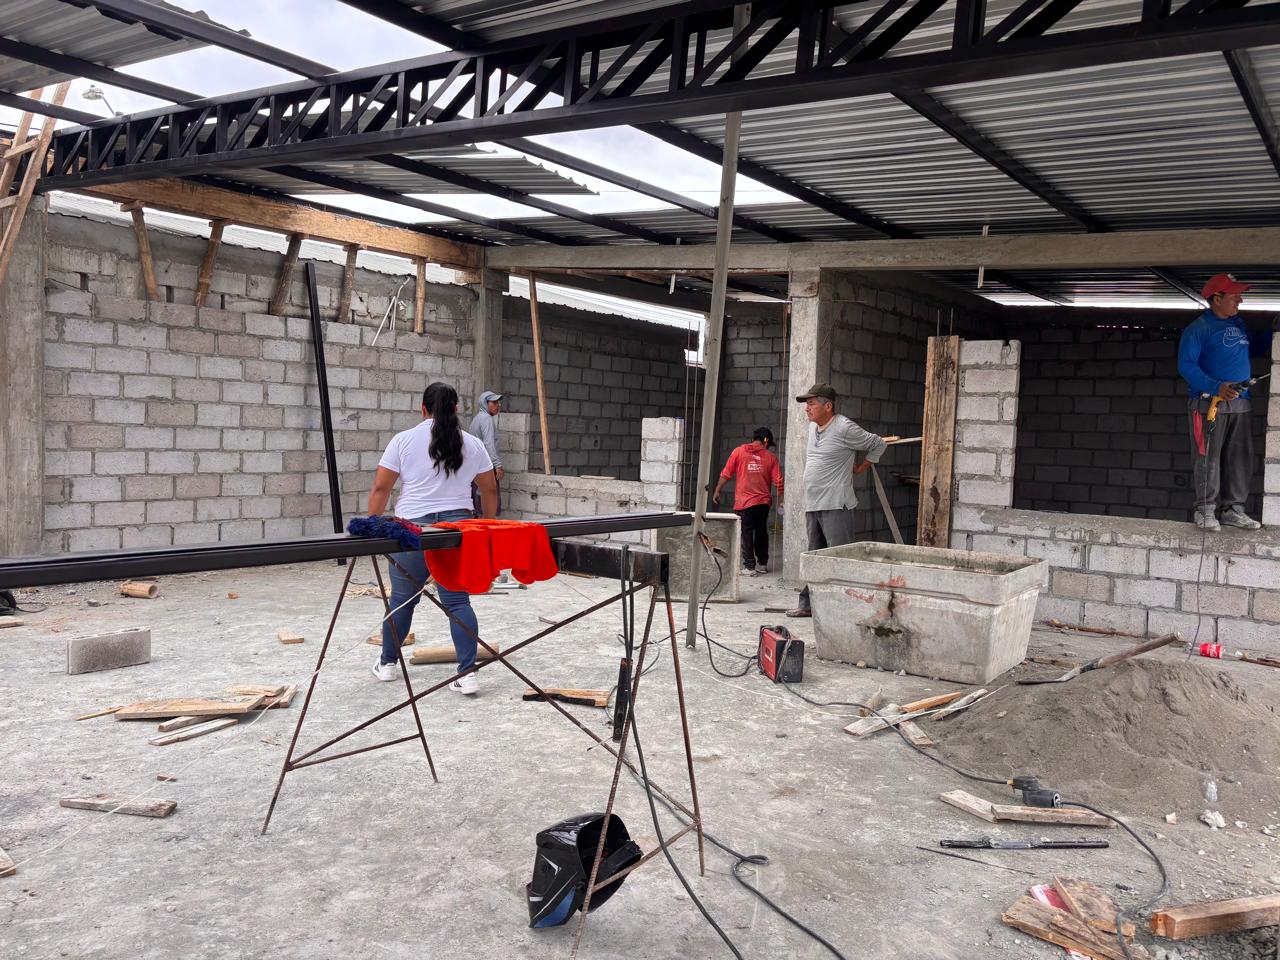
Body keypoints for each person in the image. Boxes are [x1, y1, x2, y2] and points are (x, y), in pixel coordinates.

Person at [368, 382, 498, 694]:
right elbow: (489, 489)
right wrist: (488, 526)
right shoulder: (472, 443)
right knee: (457, 601)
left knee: (402, 600)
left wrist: (372, 528)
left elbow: (381, 488)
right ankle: (467, 674)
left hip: (412, 529)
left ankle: (387, 665)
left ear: (423, 408)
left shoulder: (403, 440)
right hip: (456, 530)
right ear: (456, 408)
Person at [1177, 273, 1274, 531]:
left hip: (1240, 403)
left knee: (1240, 458)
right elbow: (1186, 365)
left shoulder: (1238, 324)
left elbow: (1254, 348)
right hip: (1209, 405)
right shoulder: (1198, 329)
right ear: (1217, 298)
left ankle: (1233, 510)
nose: (1240, 300)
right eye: (1234, 296)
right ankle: (1205, 510)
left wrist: (1272, 330)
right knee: (1207, 458)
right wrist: (1216, 386)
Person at [787, 383, 886, 618]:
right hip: (813, 503)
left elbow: (878, 443)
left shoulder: (844, 427)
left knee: (839, 558)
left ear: (828, 406)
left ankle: (843, 609)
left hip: (836, 504)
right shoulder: (813, 428)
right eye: (807, 404)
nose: (807, 408)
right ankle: (808, 605)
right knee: (814, 557)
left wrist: (861, 467)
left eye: (811, 403)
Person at [712, 427, 784, 576]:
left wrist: (717, 489)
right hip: (763, 503)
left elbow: (726, 473)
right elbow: (779, 481)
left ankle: (750, 567)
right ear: (766, 442)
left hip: (744, 503)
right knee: (761, 531)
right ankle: (762, 564)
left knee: (746, 533)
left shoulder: (738, 452)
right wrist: (782, 499)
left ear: (754, 439)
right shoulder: (771, 457)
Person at [468, 390, 504, 516]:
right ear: (485, 403)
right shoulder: (486, 419)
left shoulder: (478, 418)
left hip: (475, 467)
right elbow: (489, 444)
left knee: (478, 500)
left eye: (498, 403)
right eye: (493, 403)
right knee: (489, 503)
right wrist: (497, 465)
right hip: (486, 466)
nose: (497, 405)